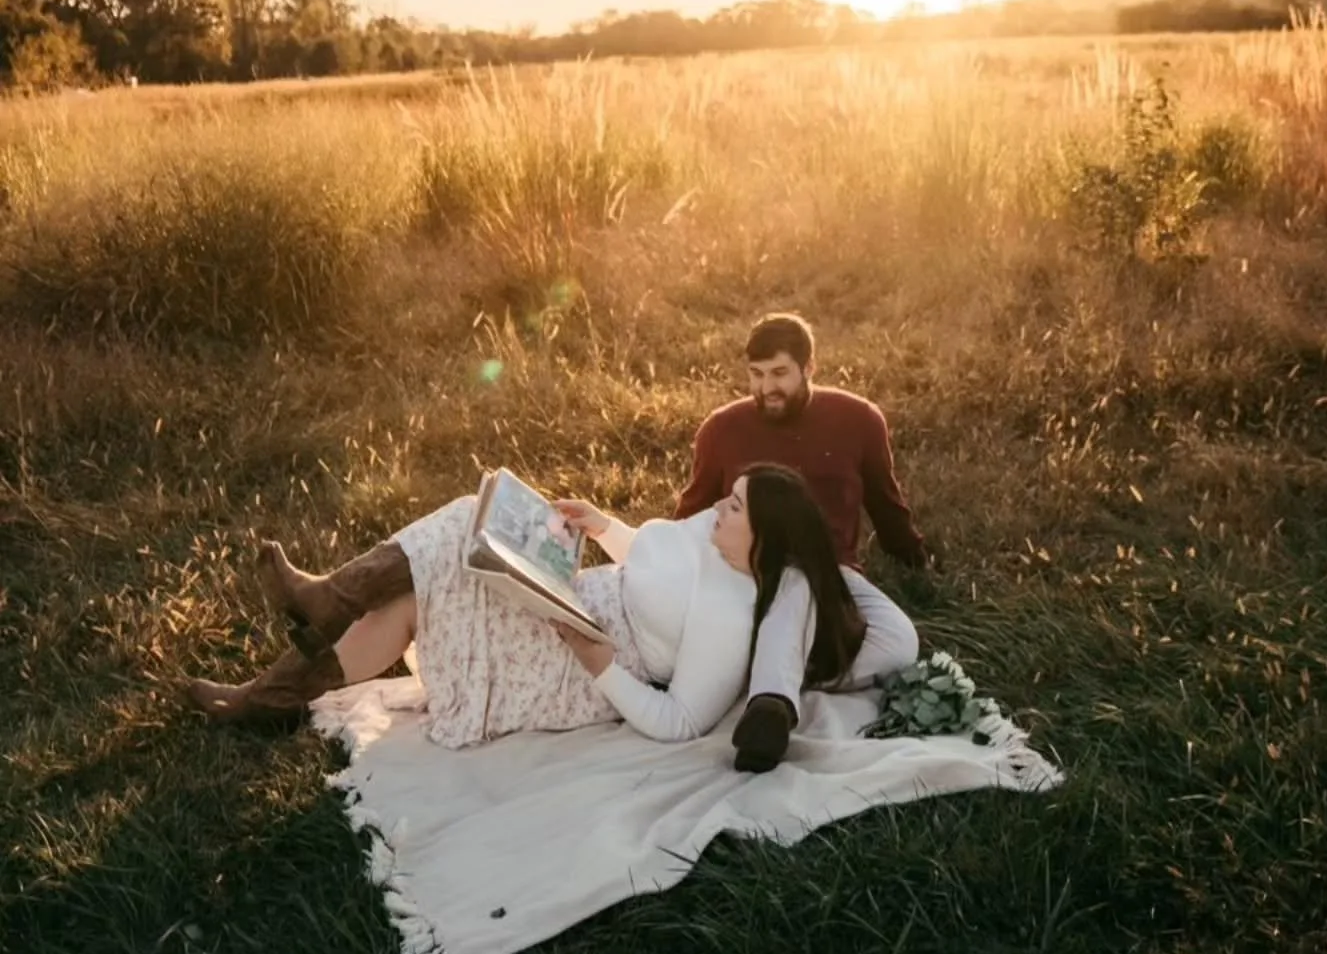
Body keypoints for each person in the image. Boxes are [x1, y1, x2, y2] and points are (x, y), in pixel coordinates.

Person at [186, 464, 918, 750]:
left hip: (575, 656)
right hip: (581, 595)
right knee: (450, 545)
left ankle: (304, 639)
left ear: (762, 541)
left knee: (433, 564)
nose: (719, 509)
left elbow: (681, 721)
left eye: (734, 508)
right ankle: (275, 686)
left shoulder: (735, 618)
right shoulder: (712, 538)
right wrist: (604, 527)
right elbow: (657, 563)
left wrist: (598, 663)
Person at [676, 312, 930, 773]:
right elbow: (690, 513)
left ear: (808, 368)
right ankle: (771, 707)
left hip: (834, 573)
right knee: (793, 576)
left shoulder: (859, 419)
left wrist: (911, 553)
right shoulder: (721, 429)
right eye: (755, 375)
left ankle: (777, 667)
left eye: (779, 374)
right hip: (748, 574)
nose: (766, 387)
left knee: (900, 642)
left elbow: (884, 498)